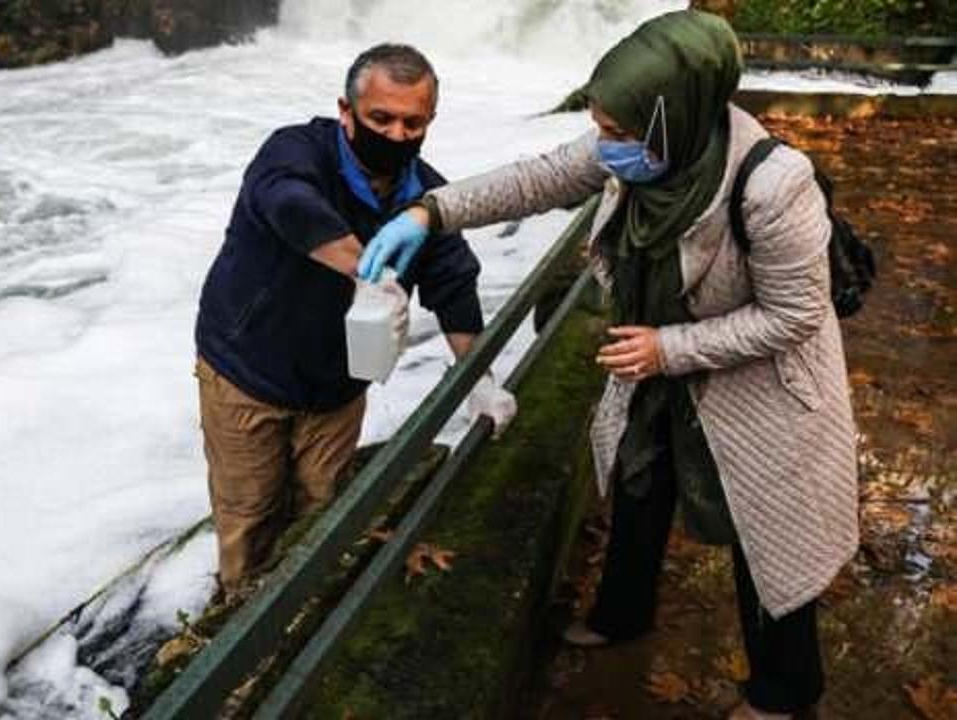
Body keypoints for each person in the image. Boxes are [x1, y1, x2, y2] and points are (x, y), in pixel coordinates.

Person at [364, 12, 859, 720]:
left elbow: (795, 317)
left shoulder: (773, 185)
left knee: (765, 534)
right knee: (638, 484)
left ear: (674, 115)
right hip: (654, 368)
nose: (604, 144)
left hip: (756, 389)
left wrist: (668, 349)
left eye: (617, 131)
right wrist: (429, 213)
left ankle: (785, 692)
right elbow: (537, 180)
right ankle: (623, 614)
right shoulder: (638, 143)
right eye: (600, 126)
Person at [194, 43, 518, 602]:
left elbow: (454, 284)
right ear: (346, 111)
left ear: (430, 121)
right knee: (249, 513)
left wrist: (479, 378)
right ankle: (237, 615)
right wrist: (369, 270)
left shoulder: (426, 199)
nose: (396, 134)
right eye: (381, 118)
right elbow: (289, 202)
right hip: (247, 369)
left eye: (413, 123)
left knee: (323, 506)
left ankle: (306, 608)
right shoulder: (295, 152)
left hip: (338, 384)